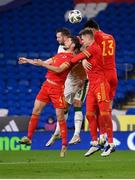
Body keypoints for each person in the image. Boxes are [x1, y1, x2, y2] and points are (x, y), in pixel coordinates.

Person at [18, 36, 82, 157]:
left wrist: (43, 64)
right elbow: (43, 62)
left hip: (57, 89)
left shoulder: (71, 59)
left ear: (73, 45)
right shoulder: (59, 55)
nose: (65, 41)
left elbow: (58, 70)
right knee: (35, 111)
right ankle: (29, 138)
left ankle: (64, 145)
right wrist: (27, 60)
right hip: (46, 86)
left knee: (60, 117)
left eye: (68, 40)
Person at [71, 28, 115, 157]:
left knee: (105, 114)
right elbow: (80, 57)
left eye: (83, 39)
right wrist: (83, 59)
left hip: (101, 84)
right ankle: (95, 143)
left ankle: (111, 144)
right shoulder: (88, 50)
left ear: (89, 38)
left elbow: (74, 60)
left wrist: (81, 58)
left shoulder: (93, 48)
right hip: (92, 86)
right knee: (89, 115)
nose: (82, 41)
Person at [46, 28, 88, 147]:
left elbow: (86, 53)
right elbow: (56, 61)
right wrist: (40, 62)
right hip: (69, 80)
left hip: (82, 80)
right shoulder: (61, 49)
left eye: (59, 37)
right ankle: (58, 132)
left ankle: (76, 134)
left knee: (77, 103)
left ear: (68, 39)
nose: (58, 39)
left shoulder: (80, 47)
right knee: (64, 106)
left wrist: (85, 60)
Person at [83, 19, 118, 156]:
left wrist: (84, 58)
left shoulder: (95, 37)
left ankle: (108, 141)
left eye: (87, 33)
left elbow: (85, 48)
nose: (86, 37)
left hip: (102, 76)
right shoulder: (110, 37)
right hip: (112, 74)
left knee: (100, 111)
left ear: (92, 30)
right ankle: (102, 138)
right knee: (105, 110)